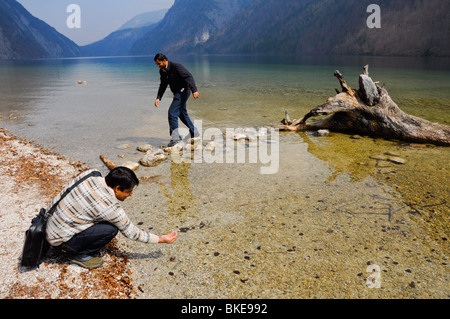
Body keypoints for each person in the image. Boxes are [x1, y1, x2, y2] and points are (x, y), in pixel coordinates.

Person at [45, 167, 178, 269]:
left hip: (48, 222)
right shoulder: (110, 207)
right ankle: (78, 255)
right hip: (59, 241)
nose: (130, 195)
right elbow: (132, 233)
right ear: (117, 188)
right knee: (111, 229)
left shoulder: (91, 174)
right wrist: (160, 239)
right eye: (128, 191)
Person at [154, 53, 199, 147]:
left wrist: (194, 90)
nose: (158, 66)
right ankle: (194, 132)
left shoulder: (176, 66)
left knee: (172, 113)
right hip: (177, 93)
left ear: (164, 60)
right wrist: (158, 97)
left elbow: (188, 77)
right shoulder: (162, 71)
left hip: (184, 91)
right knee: (182, 114)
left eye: (159, 64)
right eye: (156, 64)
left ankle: (176, 138)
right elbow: (163, 85)